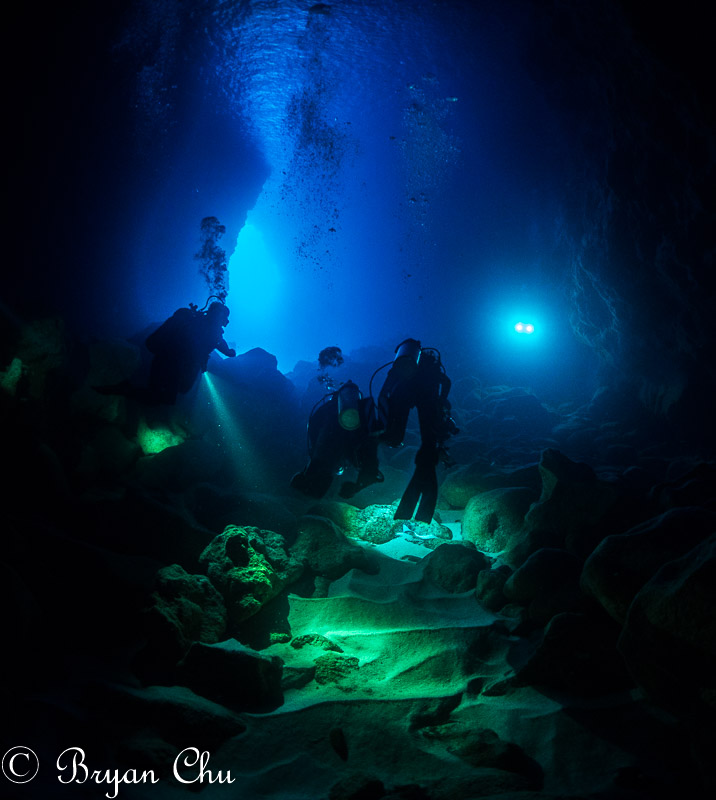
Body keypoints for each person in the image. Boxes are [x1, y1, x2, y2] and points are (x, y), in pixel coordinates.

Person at [377, 338, 458, 523]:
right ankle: (420, 516)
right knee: (428, 451)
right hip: (426, 396)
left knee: (423, 454)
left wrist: (383, 425)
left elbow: (384, 394)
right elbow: (446, 381)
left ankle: (408, 516)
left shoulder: (400, 368)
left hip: (406, 394)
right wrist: (442, 400)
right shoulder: (428, 366)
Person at [96, 300, 236, 405]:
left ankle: (126, 389)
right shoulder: (212, 331)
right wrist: (230, 351)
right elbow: (224, 348)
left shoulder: (197, 321)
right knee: (164, 398)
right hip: (174, 364)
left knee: (161, 395)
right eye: (225, 317)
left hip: (165, 358)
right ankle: (125, 389)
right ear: (219, 316)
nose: (226, 321)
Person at [291, 380, 383, 499]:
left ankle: (309, 494)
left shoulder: (327, 408)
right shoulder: (361, 410)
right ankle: (358, 483)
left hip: (327, 443)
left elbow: (313, 426)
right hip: (352, 442)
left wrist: (313, 449)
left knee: (322, 467)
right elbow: (371, 435)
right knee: (357, 465)